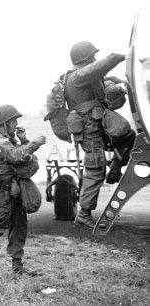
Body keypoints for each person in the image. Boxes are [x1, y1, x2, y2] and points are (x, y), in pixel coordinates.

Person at [65, 41, 136, 228]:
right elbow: (99, 67)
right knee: (95, 170)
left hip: (97, 125)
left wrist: (114, 80)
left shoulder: (82, 79)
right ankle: (84, 214)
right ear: (86, 59)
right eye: (92, 57)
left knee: (128, 136)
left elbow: (98, 77)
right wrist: (123, 56)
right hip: (90, 129)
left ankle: (116, 164)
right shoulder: (77, 77)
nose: (95, 59)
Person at [0, 105, 46, 278]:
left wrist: (23, 140)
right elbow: (15, 156)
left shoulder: (8, 140)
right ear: (5, 122)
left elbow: (23, 160)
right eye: (14, 121)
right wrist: (34, 144)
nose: (16, 124)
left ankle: (17, 267)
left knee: (19, 228)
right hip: (2, 193)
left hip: (15, 191)